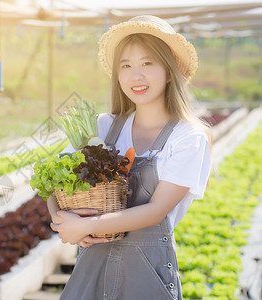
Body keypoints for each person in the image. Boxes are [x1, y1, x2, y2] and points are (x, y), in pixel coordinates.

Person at [47, 15, 212, 299]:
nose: (136, 76)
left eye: (148, 63)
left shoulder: (188, 138)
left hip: (146, 274)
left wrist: (86, 225)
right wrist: (61, 220)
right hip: (91, 267)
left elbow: (156, 211)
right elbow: (54, 182)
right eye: (126, 66)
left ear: (170, 71)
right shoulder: (102, 127)